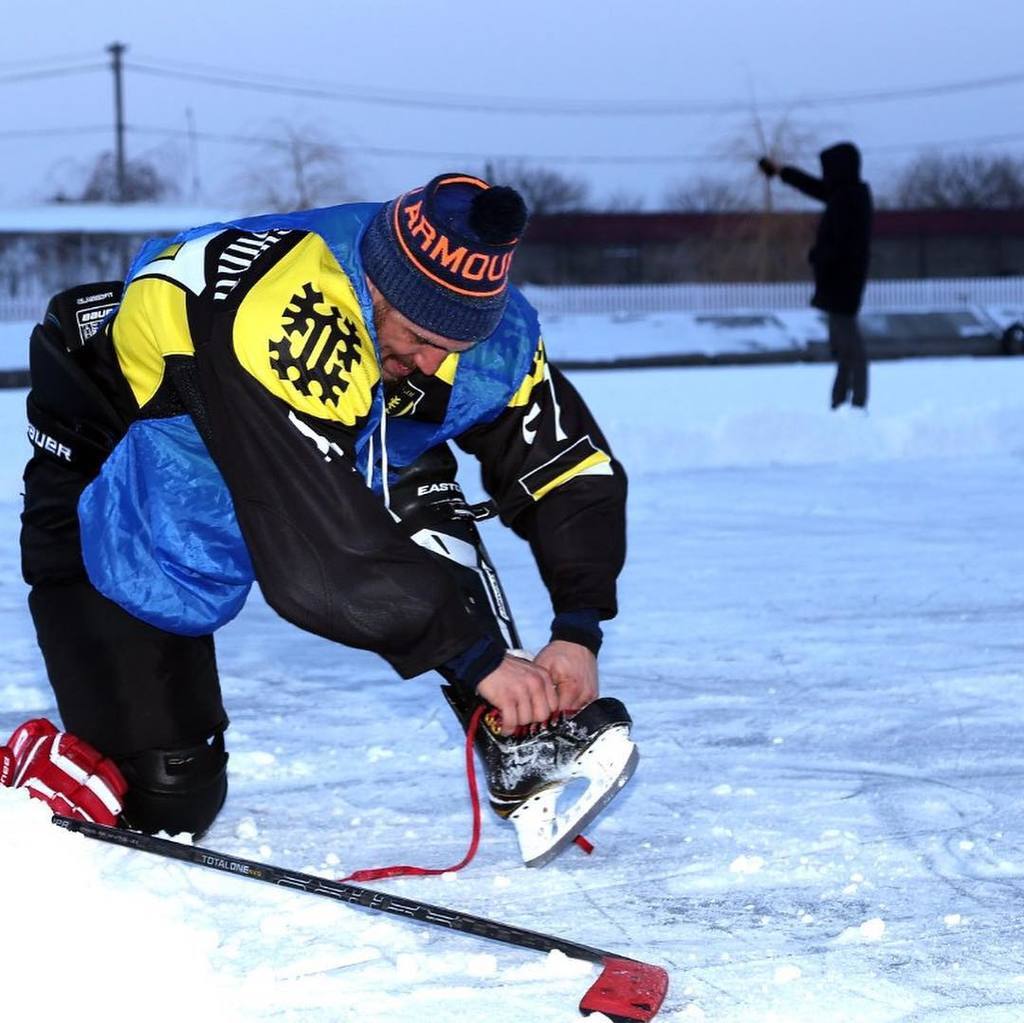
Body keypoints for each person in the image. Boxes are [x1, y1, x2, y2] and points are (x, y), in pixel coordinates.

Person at [7, 172, 635, 868]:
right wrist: (478, 658)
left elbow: (570, 469)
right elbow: (319, 559)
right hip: (124, 460)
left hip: (313, 424)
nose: (434, 361)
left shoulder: (474, 324)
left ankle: (519, 739)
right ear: (377, 286)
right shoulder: (290, 315)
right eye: (421, 336)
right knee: (166, 798)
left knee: (409, 447)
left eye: (454, 345)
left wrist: (579, 626)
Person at [758, 143, 873, 410]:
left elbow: (842, 244)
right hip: (839, 283)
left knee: (849, 347)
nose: (825, 175)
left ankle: (855, 404)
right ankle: (841, 402)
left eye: (828, 170)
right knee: (843, 347)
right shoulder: (846, 194)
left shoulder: (850, 199)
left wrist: (817, 255)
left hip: (843, 283)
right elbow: (814, 187)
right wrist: (780, 172)